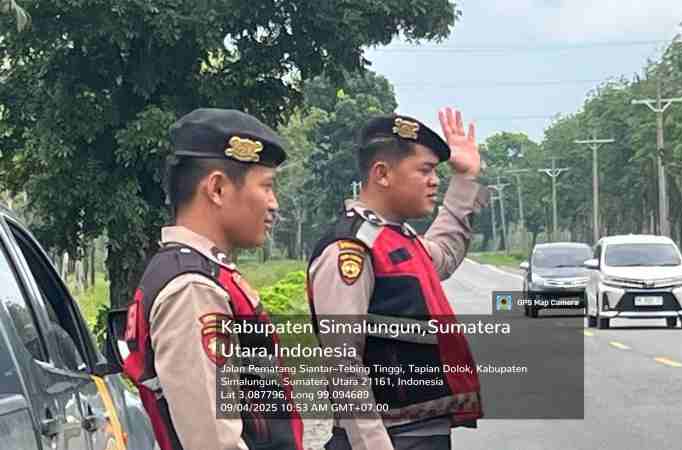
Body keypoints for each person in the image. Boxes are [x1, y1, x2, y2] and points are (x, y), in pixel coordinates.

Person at [119, 108, 303, 450]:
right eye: (267, 187)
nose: (274, 203)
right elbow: (213, 442)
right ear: (217, 188)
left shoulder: (197, 273)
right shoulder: (191, 288)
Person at [307, 108, 488, 450]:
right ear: (382, 174)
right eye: (425, 170)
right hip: (390, 438)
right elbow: (343, 363)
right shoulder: (352, 249)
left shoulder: (397, 239)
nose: (435, 180)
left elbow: (445, 253)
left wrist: (466, 180)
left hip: (419, 433)